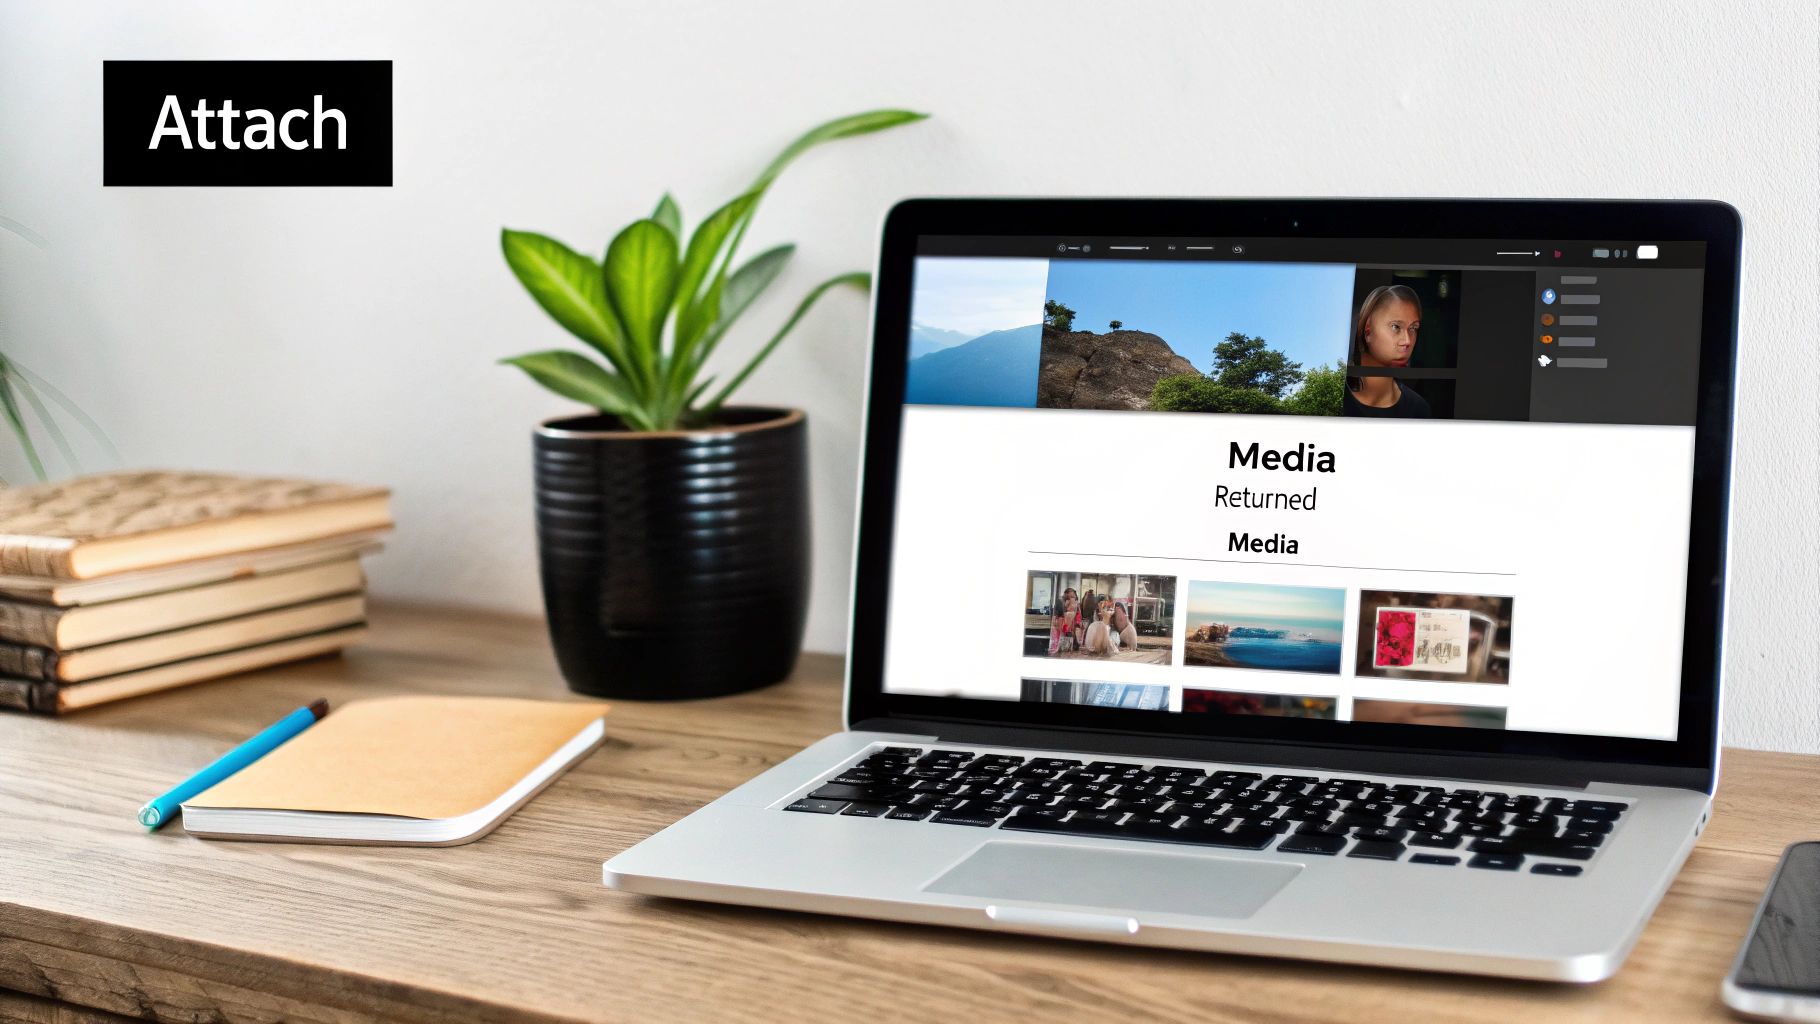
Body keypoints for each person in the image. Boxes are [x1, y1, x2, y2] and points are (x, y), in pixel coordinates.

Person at [1343, 284, 1432, 418]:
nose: (1407, 341)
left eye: (1413, 328)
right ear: (1368, 330)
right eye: (1396, 326)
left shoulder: (1418, 409)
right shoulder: (1327, 396)